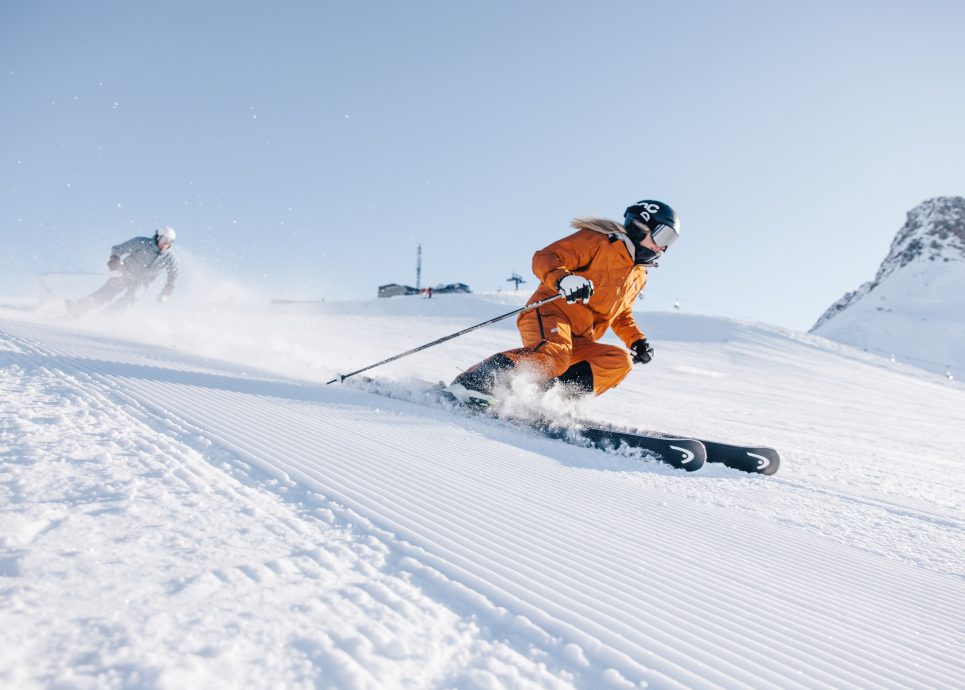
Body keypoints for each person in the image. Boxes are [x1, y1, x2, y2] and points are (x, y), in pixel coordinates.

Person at [447, 200, 680, 406]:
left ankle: (548, 401)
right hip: (549, 313)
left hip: (579, 338)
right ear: (640, 227)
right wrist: (564, 280)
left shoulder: (639, 274)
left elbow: (620, 314)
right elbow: (545, 258)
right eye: (663, 236)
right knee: (553, 357)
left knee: (618, 362)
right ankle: (473, 381)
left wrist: (637, 340)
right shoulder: (599, 242)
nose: (665, 247)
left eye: (672, 241)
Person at [67, 226, 180, 315]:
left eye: (170, 242)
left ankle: (106, 317)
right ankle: (78, 309)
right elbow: (118, 250)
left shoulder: (170, 259)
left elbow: (173, 278)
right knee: (107, 293)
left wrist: (166, 292)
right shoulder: (142, 243)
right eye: (165, 239)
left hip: (141, 282)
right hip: (125, 272)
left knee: (131, 299)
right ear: (158, 236)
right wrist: (114, 264)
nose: (166, 243)